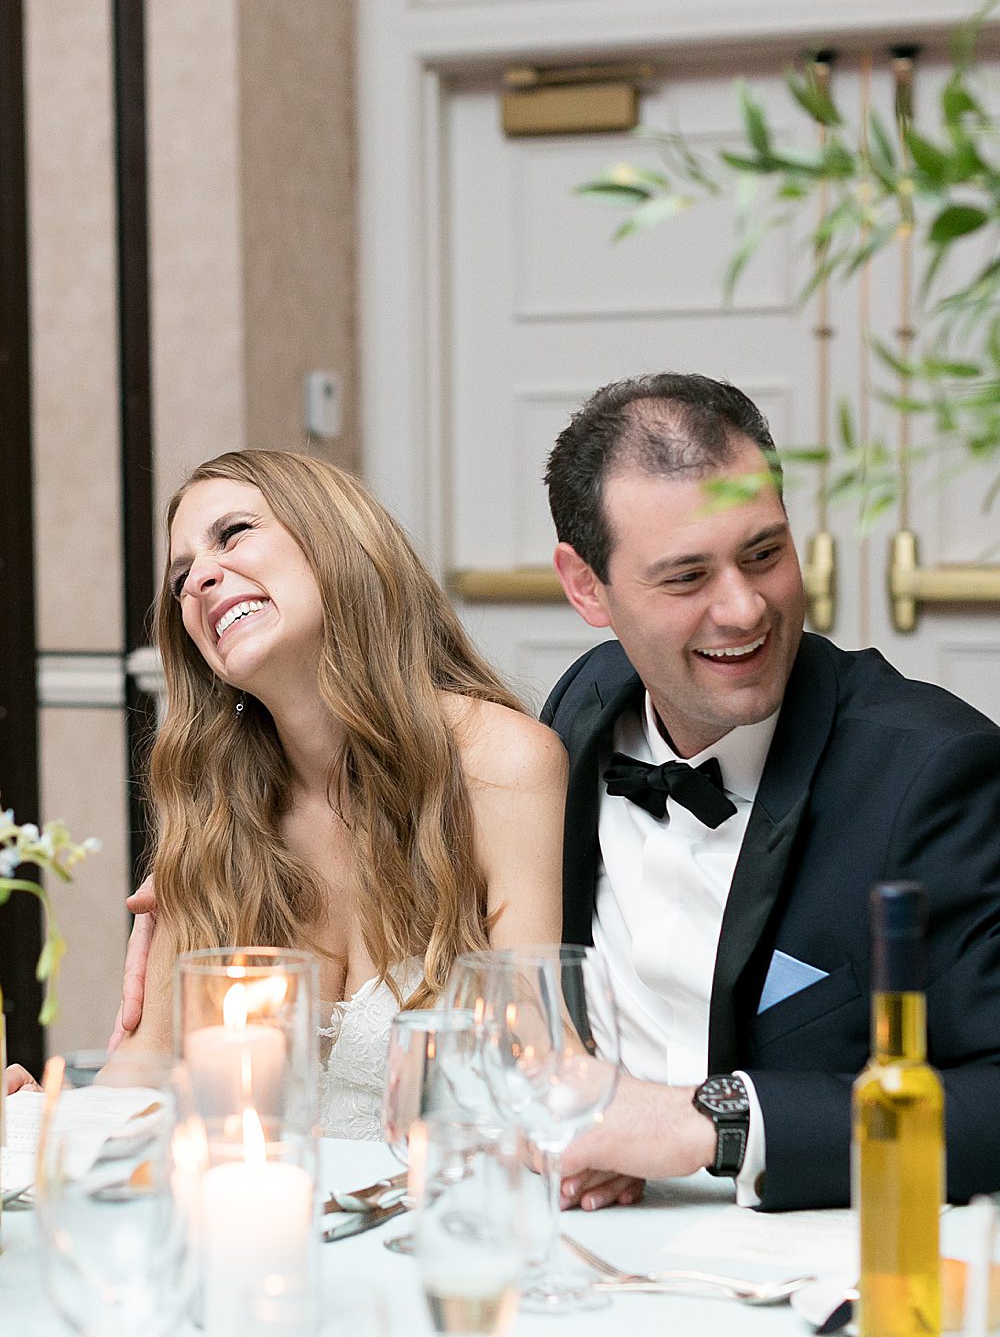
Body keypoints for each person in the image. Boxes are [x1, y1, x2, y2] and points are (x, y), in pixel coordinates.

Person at [543, 371, 1000, 1212]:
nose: (744, 609)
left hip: (812, 1262)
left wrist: (710, 1126)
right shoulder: (584, 708)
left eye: (765, 554)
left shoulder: (935, 772)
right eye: (685, 578)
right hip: (599, 1236)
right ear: (586, 587)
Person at [70, 448, 569, 1140]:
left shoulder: (503, 764)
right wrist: (43, 1117)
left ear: (337, 541)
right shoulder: (213, 811)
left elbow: (534, 1063)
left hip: (442, 1219)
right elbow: (148, 1063)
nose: (199, 580)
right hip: (258, 1218)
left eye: (234, 533)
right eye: (181, 575)